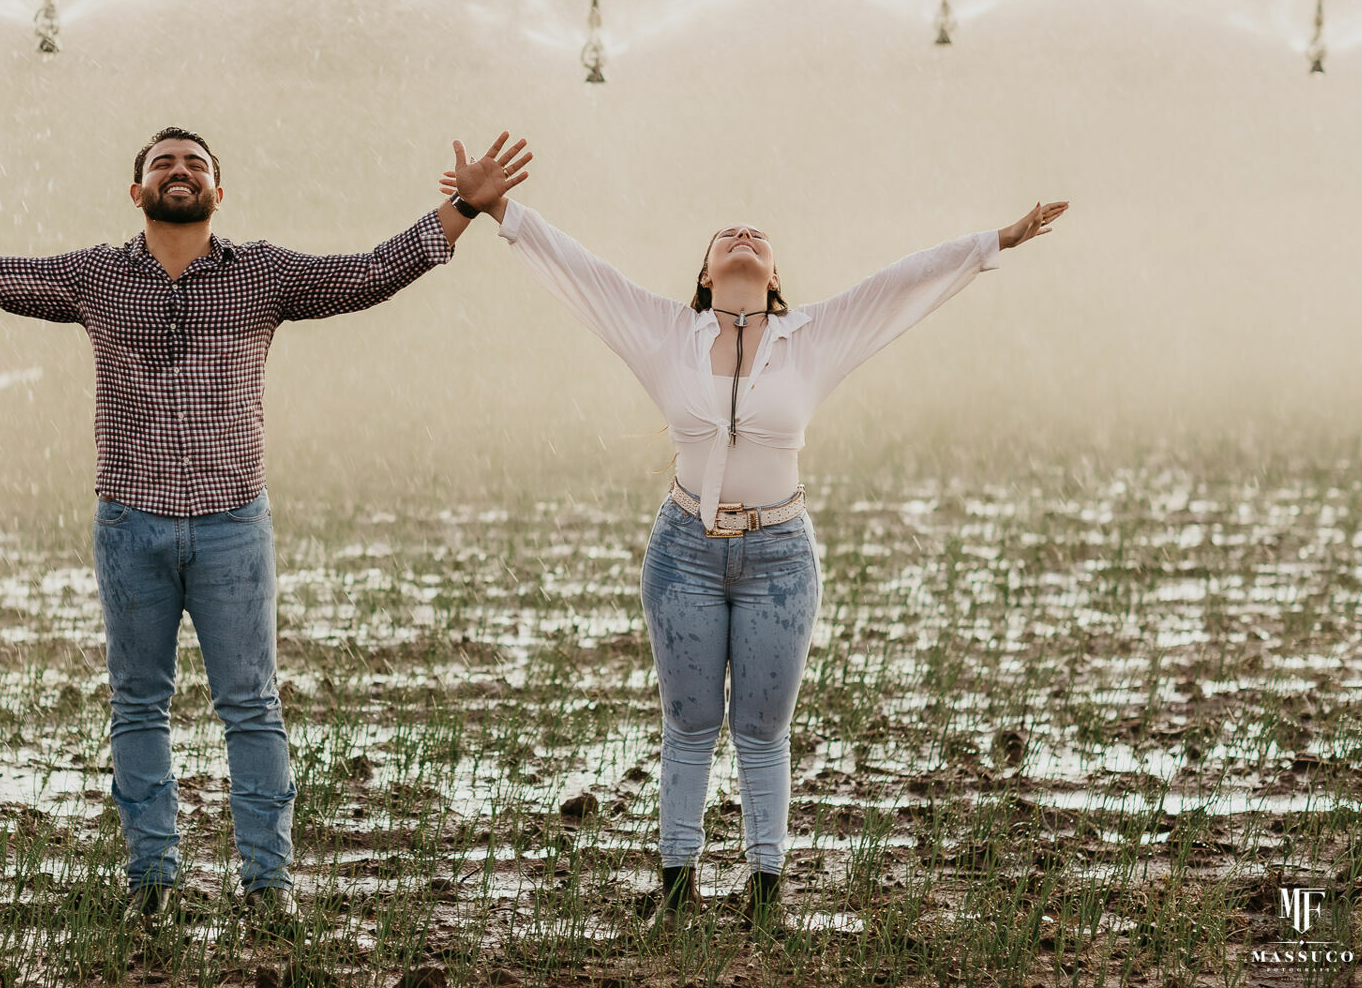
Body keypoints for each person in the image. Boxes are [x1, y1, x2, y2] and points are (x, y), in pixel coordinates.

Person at [0, 127, 532, 929]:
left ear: (220, 192)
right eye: (163, 165)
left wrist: (463, 208)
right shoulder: (97, 277)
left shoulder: (264, 275)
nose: (180, 173)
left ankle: (268, 886)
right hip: (130, 523)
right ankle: (151, 879)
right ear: (136, 192)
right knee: (138, 703)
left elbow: (372, 273)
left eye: (196, 165)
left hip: (232, 527)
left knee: (250, 705)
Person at [444, 163, 1065, 929]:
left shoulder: (814, 337)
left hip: (779, 558)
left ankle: (766, 895)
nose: (744, 236)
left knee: (764, 732)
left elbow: (902, 283)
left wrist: (995, 240)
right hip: (684, 555)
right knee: (691, 725)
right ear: (705, 278)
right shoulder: (666, 331)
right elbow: (584, 273)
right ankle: (677, 897)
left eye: (759, 239)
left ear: (775, 282)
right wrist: (502, 209)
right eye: (728, 237)